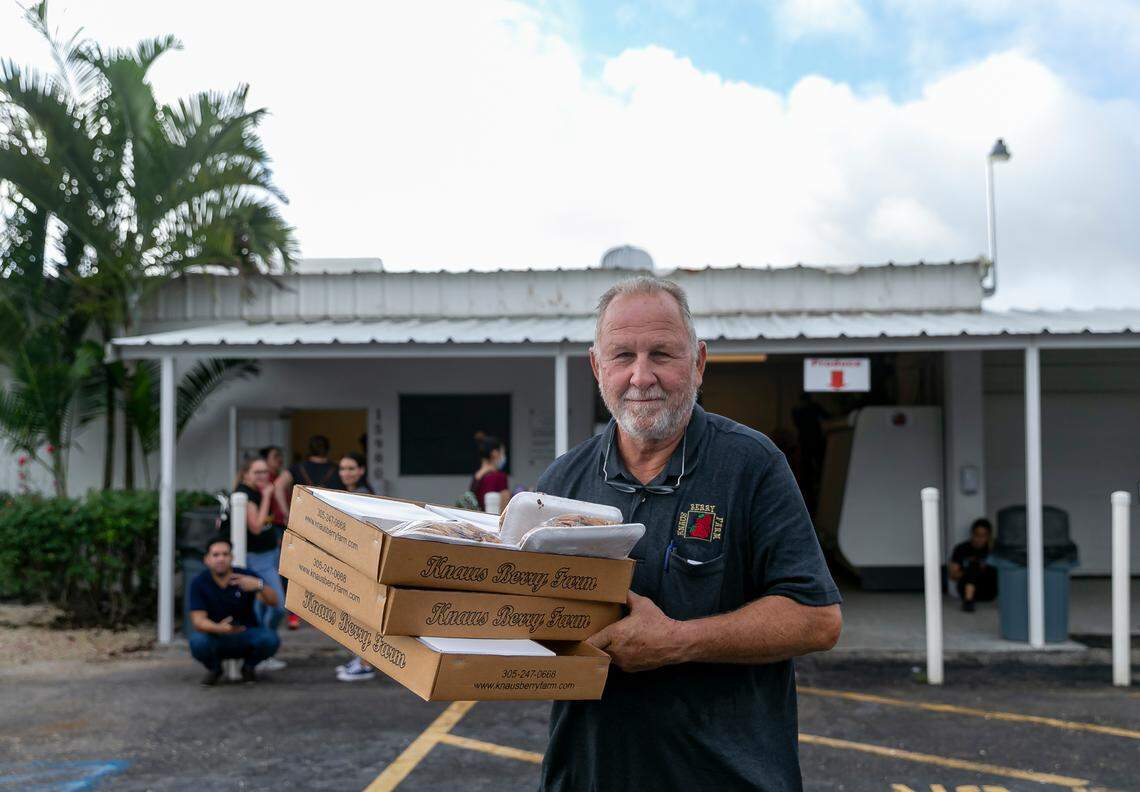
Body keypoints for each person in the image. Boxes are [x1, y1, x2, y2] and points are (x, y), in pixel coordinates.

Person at [535, 276, 842, 791]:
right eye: (622, 356)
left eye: (662, 354)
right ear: (596, 366)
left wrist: (676, 642)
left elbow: (817, 618)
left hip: (726, 777)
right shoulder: (559, 484)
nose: (641, 376)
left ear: (698, 362)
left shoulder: (751, 465)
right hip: (586, 775)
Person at [188, 536, 281, 686]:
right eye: (216, 555)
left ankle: (249, 668)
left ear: (232, 557)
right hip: (216, 637)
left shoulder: (245, 576)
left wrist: (259, 585)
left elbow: (274, 601)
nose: (221, 559)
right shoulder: (199, 582)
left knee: (270, 639)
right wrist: (219, 628)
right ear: (207, 559)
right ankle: (215, 669)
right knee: (197, 641)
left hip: (246, 634)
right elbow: (198, 621)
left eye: (225, 554)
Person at [233, 458, 288, 668]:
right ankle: (264, 650)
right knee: (277, 606)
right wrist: (267, 496)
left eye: (265, 472)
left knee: (263, 606)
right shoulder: (246, 495)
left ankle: (263, 654)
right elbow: (256, 527)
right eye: (257, 472)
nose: (262, 476)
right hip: (257, 559)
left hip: (269, 554)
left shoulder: (254, 491)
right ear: (246, 474)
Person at [331, 451, 380, 682]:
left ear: (361, 470)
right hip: (354, 561)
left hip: (362, 563)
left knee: (360, 615)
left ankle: (366, 663)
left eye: (351, 468)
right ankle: (360, 659)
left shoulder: (362, 496)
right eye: (342, 469)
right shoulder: (351, 494)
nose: (346, 473)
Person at [259, 444, 297, 629]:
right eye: (275, 456)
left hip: (283, 527)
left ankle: (292, 615)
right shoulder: (265, 482)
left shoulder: (280, 479)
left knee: (288, 572)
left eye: (280, 456)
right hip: (273, 529)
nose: (280, 460)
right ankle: (276, 614)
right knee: (278, 573)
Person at [273, 434, 343, 521]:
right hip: (332, 520)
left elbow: (278, 485)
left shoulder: (297, 468)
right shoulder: (338, 469)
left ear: (309, 449)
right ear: (328, 449)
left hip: (303, 517)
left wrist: (286, 513)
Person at [949, 518, 998, 612]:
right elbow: (952, 575)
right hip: (966, 588)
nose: (979, 539)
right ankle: (968, 601)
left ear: (988, 536)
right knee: (973, 566)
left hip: (989, 589)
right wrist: (968, 571)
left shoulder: (994, 548)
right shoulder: (961, 548)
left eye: (984, 535)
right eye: (977, 535)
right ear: (972, 534)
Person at [470, 435, 511, 513]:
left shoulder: (477, 476)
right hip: (492, 523)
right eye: (502, 452)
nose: (503, 456)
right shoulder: (499, 477)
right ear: (494, 453)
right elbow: (505, 509)